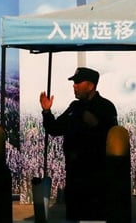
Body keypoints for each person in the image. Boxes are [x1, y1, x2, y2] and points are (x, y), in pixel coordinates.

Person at [40, 66, 118, 221]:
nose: (74, 86)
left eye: (78, 82)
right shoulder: (74, 107)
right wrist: (47, 112)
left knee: (94, 216)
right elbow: (55, 129)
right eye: (74, 82)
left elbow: (113, 137)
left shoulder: (105, 107)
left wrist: (96, 125)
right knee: (74, 214)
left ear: (90, 85)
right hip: (74, 174)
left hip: (96, 177)